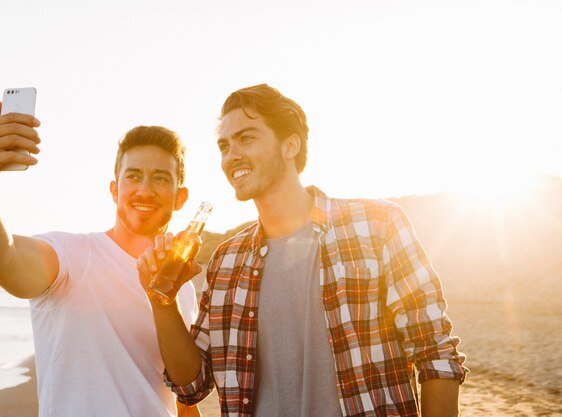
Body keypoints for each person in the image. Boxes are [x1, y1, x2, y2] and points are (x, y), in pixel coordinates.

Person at [138, 84, 468, 417]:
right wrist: (161, 301)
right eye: (224, 145)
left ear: (290, 144)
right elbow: (191, 385)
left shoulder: (376, 225)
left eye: (246, 138)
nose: (231, 155)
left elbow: (434, 352)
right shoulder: (227, 261)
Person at [0, 101, 201, 417]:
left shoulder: (183, 288)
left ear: (180, 196)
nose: (145, 190)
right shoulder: (71, 257)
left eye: (160, 178)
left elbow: (184, 398)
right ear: (114, 190)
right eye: (134, 176)